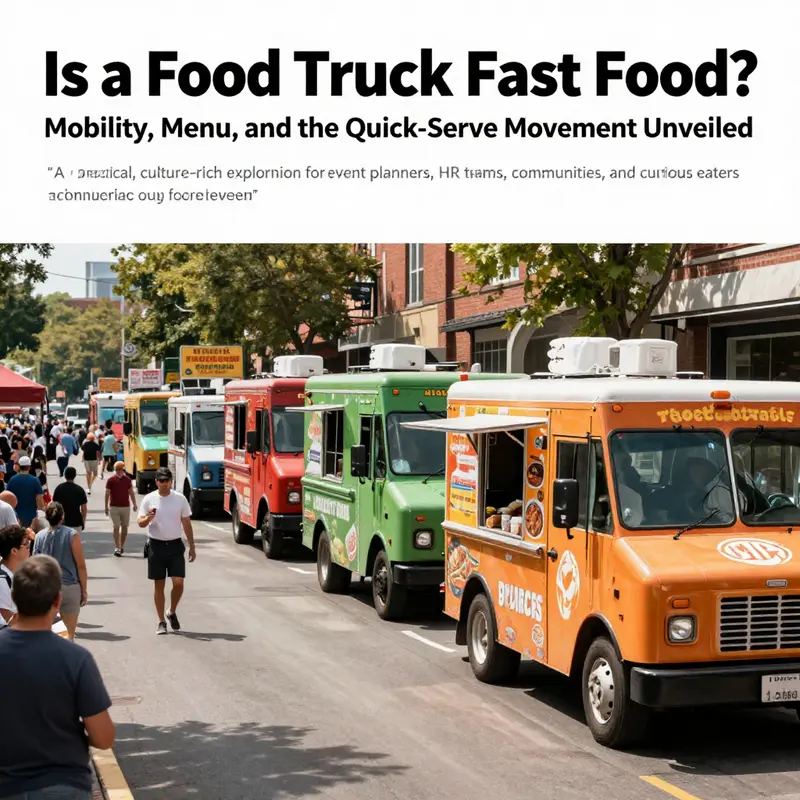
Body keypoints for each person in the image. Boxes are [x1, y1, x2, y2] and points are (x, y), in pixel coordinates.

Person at [0, 555, 115, 798]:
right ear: (57, 601)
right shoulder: (76, 659)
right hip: (64, 785)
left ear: (13, 597)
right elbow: (104, 738)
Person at [138, 467, 196, 634]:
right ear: (156, 482)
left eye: (167, 481)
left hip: (175, 545)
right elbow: (140, 523)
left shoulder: (180, 499)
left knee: (178, 583)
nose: (164, 484)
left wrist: (192, 545)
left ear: (171, 481)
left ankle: (171, 611)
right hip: (156, 545)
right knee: (159, 585)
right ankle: (161, 621)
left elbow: (186, 522)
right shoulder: (149, 499)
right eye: (161, 481)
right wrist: (148, 518)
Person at [33, 503, 88, 640]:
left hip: (47, 588)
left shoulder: (39, 536)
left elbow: (35, 564)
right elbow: (80, 565)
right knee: (69, 634)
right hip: (70, 586)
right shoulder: (72, 535)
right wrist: (84, 589)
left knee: (47, 634)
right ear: (62, 517)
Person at [105, 461, 137, 557]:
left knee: (125, 528)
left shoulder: (127, 480)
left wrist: (134, 504)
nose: (119, 472)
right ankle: (117, 547)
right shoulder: (110, 480)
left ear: (123, 470)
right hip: (114, 507)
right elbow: (107, 494)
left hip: (125, 507)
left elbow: (131, 492)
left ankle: (122, 545)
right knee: (116, 526)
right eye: (117, 470)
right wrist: (106, 507)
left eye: (120, 470)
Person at [0, 524, 29, 627]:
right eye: (25, 544)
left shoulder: (17, 574)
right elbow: (6, 618)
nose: (28, 548)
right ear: (14, 551)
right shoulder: (2, 580)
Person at [6, 456, 44, 527]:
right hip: (31, 516)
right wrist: (42, 508)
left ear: (19, 466)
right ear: (29, 467)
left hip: (16, 516)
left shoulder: (12, 480)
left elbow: (6, 496)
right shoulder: (35, 480)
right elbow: (39, 498)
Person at [53, 467, 88, 535]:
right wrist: (82, 521)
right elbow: (84, 509)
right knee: (74, 543)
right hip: (76, 521)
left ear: (65, 475)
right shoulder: (79, 490)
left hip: (62, 522)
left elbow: (54, 506)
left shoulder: (59, 489)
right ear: (74, 476)